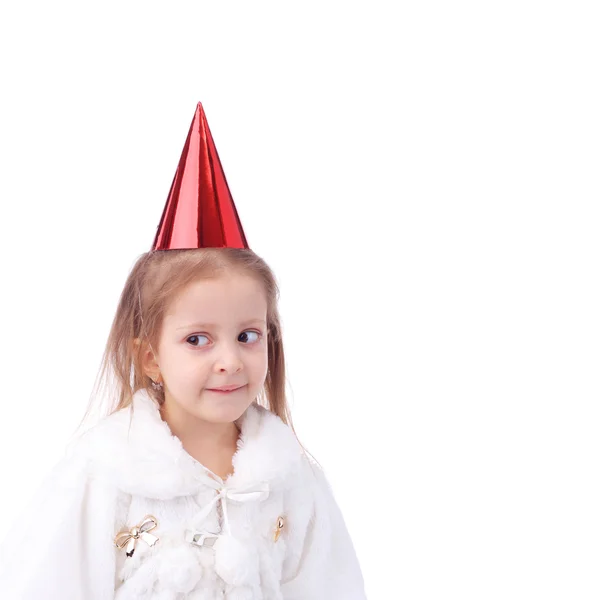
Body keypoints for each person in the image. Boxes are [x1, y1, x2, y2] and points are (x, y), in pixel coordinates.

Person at [0, 103, 367, 599]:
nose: (230, 360)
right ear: (150, 356)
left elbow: (329, 586)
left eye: (248, 335)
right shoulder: (105, 470)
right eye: (197, 339)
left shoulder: (288, 476)